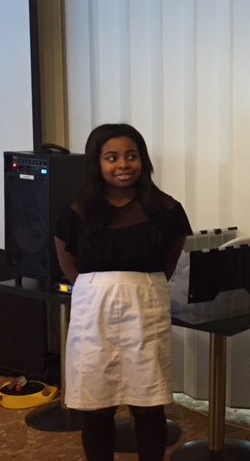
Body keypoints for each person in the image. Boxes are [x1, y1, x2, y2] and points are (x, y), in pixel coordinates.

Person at [54, 123, 192, 461]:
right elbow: (68, 262)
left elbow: (169, 260)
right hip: (93, 312)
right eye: (112, 157)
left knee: (148, 405)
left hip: (145, 310)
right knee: (96, 406)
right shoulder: (76, 211)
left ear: (143, 160)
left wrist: (135, 287)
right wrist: (101, 289)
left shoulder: (167, 209)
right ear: (96, 162)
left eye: (131, 156)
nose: (123, 165)